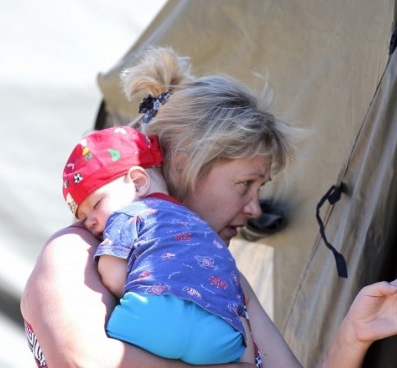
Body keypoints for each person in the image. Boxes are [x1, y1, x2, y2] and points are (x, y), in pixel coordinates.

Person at [21, 46, 397, 368]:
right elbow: (82, 361)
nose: (254, 208)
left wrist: (352, 336)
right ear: (186, 165)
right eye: (245, 184)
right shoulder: (76, 252)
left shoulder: (224, 276)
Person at [60, 125, 255, 365]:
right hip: (219, 338)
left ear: (138, 182)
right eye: (83, 216)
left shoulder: (129, 214)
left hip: (149, 318)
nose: (89, 222)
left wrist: (144, 295)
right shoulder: (202, 226)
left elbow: (112, 273)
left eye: (97, 203)